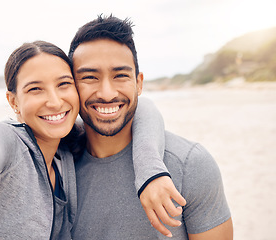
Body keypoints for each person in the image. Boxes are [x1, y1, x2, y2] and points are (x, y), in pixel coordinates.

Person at [0, 38, 177, 238]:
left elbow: (141, 108)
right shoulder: (7, 141)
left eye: (64, 84)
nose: (54, 101)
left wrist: (150, 172)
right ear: (13, 101)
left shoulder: (65, 147)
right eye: (35, 89)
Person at [69, 15, 233, 240]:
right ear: (70, 86)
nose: (107, 93)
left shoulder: (190, 165)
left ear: (139, 83)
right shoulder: (57, 164)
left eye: (120, 76)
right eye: (89, 77)